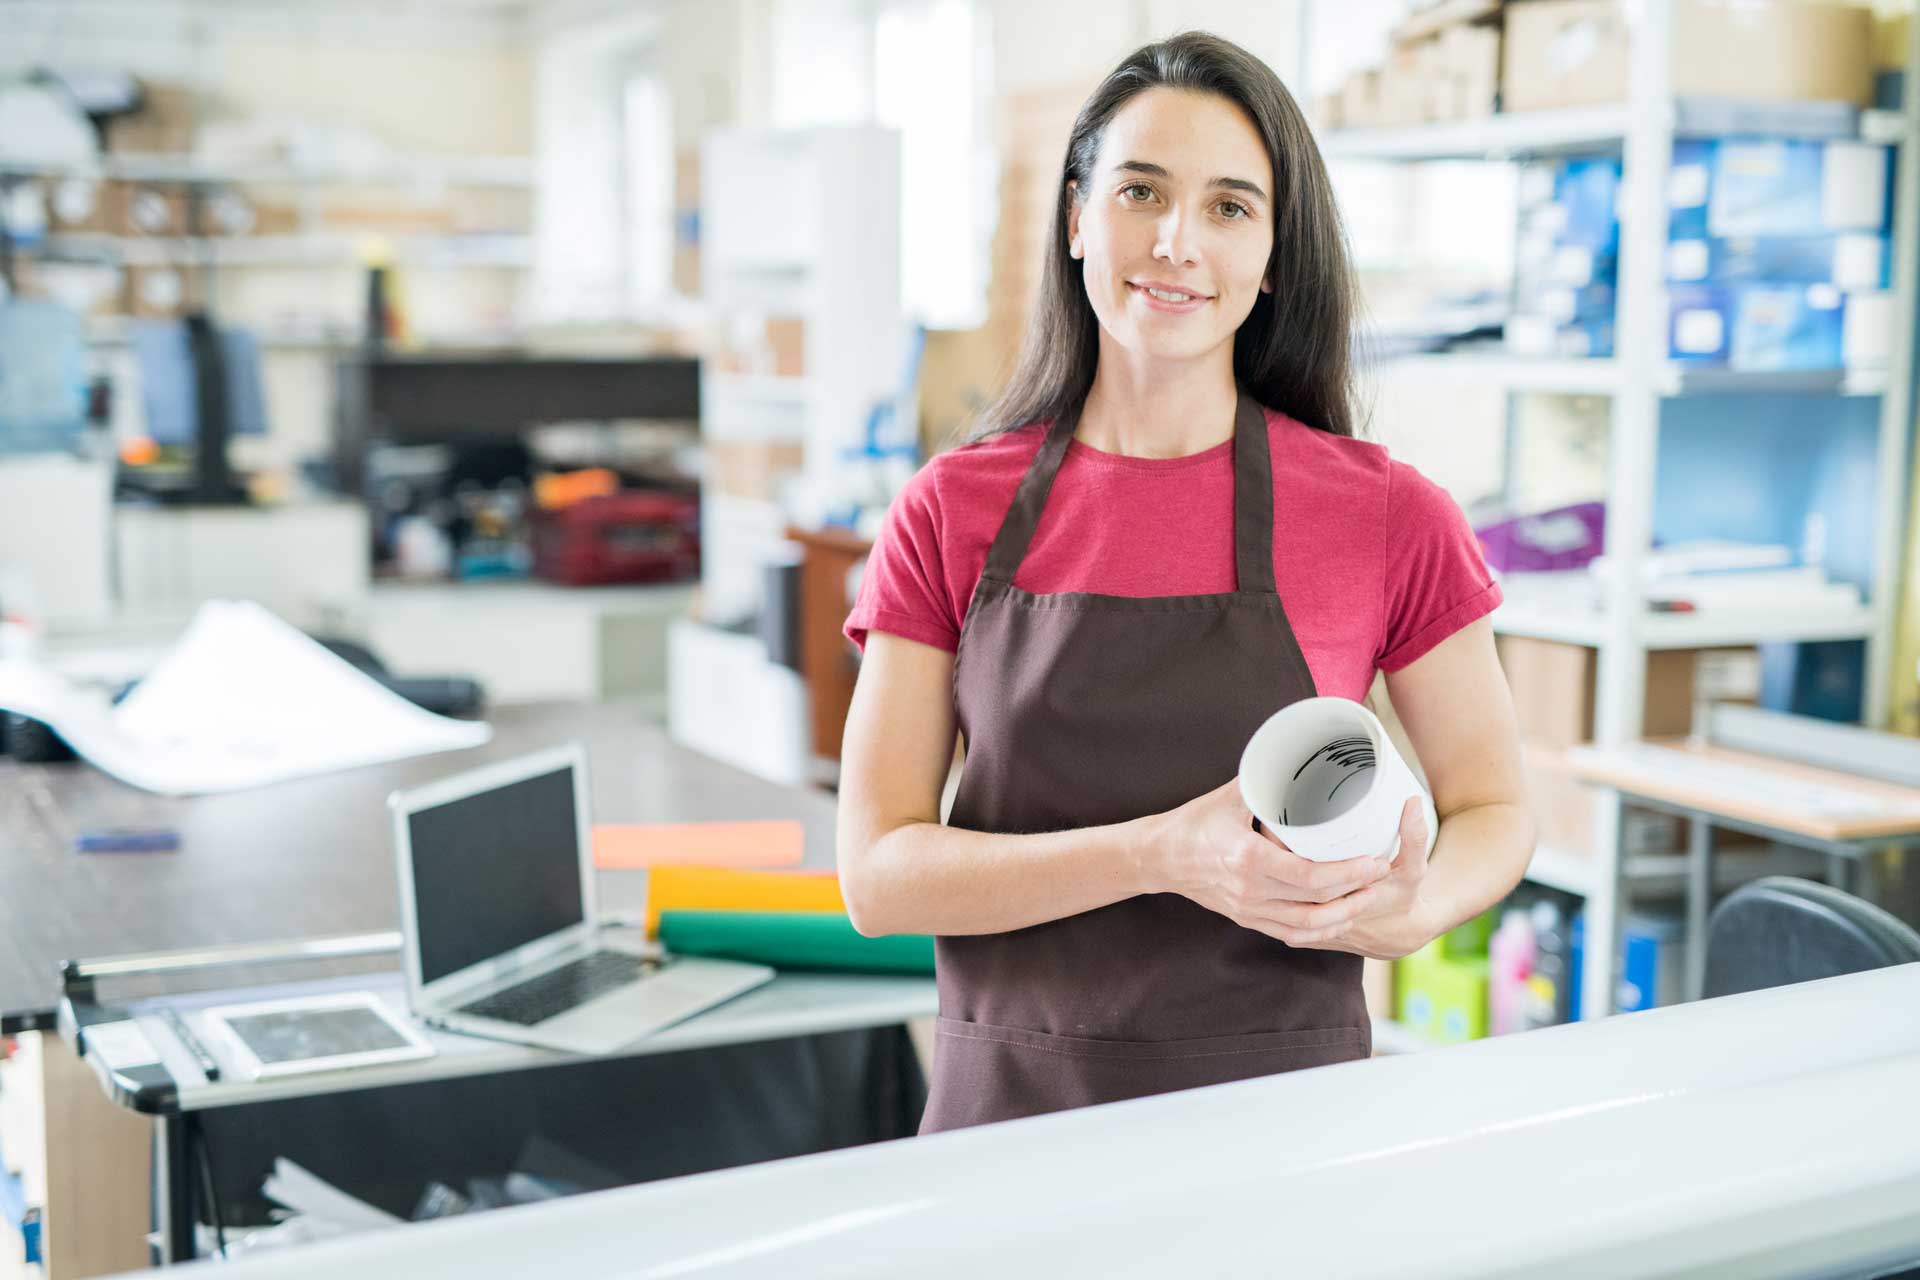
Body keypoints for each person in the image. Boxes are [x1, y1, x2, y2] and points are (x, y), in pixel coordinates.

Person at [837, 31, 1533, 1134]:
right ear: (1076, 218)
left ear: (1271, 253)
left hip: (1282, 1130)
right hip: (1010, 1127)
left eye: (1228, 206)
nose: (1175, 242)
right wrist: (1162, 853)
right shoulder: (950, 508)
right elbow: (878, 874)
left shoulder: (1385, 511)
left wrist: (1418, 907)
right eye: (1140, 191)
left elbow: (1495, 805)